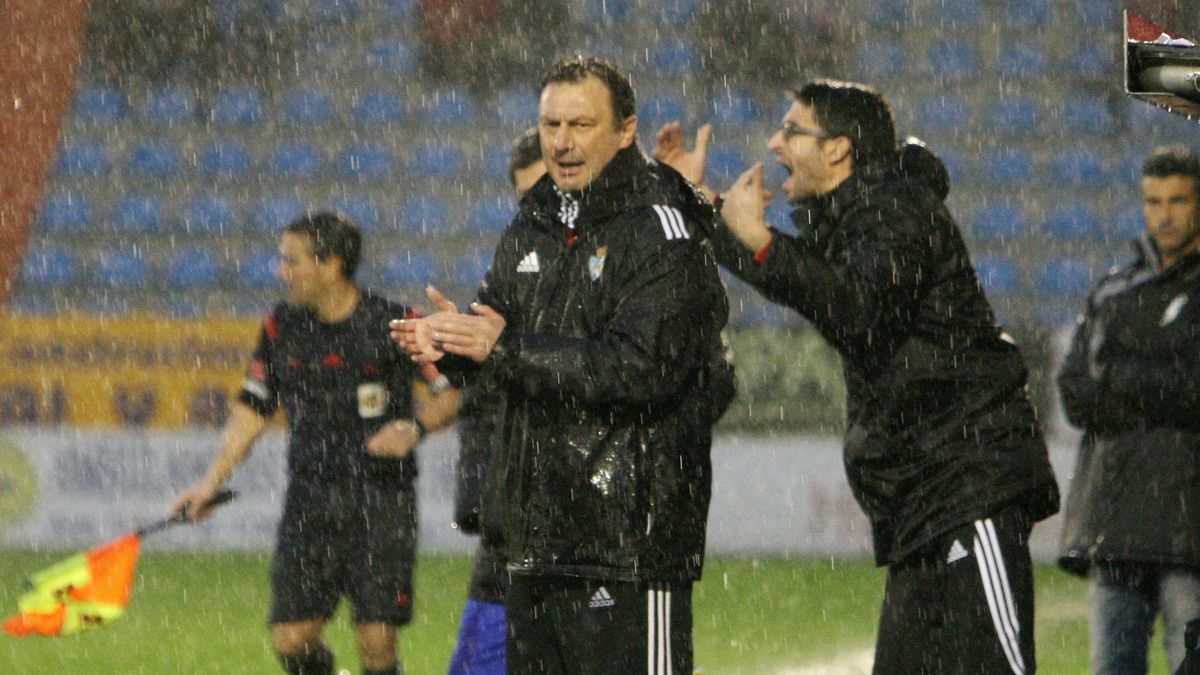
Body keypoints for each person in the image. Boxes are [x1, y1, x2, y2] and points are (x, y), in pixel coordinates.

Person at [653, 79, 1059, 674]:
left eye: (792, 130)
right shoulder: (866, 213)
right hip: (925, 502)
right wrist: (692, 199)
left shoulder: (896, 210)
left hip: (969, 490)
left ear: (839, 149)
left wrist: (761, 240)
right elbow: (791, 272)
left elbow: (858, 312)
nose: (775, 141)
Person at [392, 56, 733, 675]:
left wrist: (500, 348)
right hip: (536, 543)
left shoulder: (662, 230)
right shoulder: (536, 220)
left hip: (629, 547)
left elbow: (640, 371)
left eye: (580, 124)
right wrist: (454, 348)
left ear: (626, 131)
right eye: (551, 124)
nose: (562, 142)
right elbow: (500, 343)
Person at [174, 212, 460, 675]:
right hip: (310, 498)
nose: (281, 271)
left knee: (377, 643)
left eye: (292, 261)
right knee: (291, 638)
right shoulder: (281, 326)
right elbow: (253, 408)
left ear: (330, 265)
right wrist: (210, 483)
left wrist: (416, 427)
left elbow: (452, 392)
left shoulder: (397, 323)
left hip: (381, 500)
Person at [1057, 145, 1200, 675]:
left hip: (1190, 526)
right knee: (1112, 667)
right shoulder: (1114, 289)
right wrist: (1164, 390)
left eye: (1178, 201)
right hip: (1115, 523)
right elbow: (1074, 392)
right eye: (1152, 201)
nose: (1163, 215)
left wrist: (1123, 378)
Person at [445, 128, 545, 675]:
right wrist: (448, 353)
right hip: (507, 537)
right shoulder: (510, 270)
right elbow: (481, 399)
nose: (538, 210)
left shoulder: (605, 274)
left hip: (572, 540)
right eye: (527, 199)